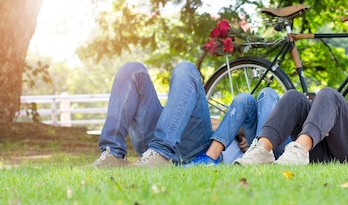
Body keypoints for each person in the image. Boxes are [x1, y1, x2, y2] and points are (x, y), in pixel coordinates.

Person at [91, 61, 281, 168]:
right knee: (133, 70)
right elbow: (222, 122)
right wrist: (237, 130)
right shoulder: (243, 113)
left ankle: (160, 153)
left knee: (186, 69)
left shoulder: (264, 145)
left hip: (195, 150)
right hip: (159, 140)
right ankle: (112, 153)